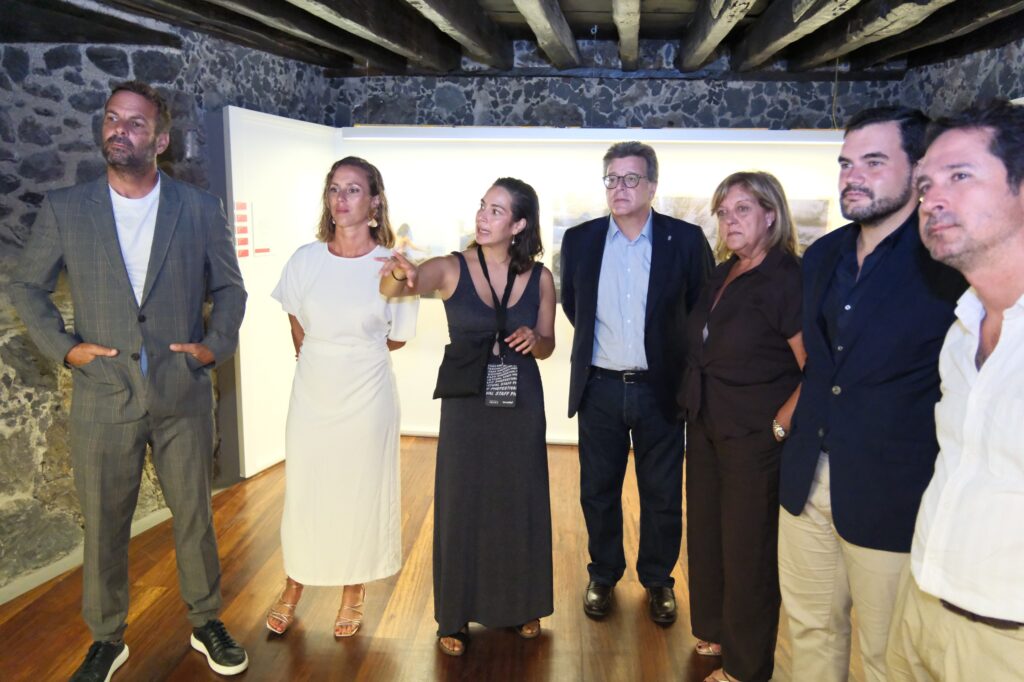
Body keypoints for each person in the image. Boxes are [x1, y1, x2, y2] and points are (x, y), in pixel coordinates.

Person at [9, 81, 248, 680]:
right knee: (104, 525)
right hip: (102, 394)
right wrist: (67, 350)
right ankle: (106, 638)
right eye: (113, 119)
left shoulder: (199, 209)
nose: (120, 130)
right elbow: (28, 287)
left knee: (193, 516)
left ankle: (205, 621)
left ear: (161, 140)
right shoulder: (67, 207)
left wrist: (213, 347)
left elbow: (230, 287)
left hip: (182, 391)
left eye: (136, 123)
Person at [777, 107, 966, 682]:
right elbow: (822, 366)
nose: (852, 176)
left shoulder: (946, 261)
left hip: (894, 491)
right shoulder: (823, 256)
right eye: (845, 164)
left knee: (891, 656)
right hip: (808, 477)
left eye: (874, 162)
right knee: (810, 631)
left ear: (918, 170)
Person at [381, 177, 555, 656]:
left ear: (519, 225)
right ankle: (453, 616)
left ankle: (523, 605)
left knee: (520, 499)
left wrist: (534, 340)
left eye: (496, 210)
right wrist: (398, 273)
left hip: (520, 402)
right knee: (461, 502)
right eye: (482, 206)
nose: (483, 216)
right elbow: (398, 286)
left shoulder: (541, 278)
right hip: (466, 403)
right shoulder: (450, 267)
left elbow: (547, 344)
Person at [886, 99, 1024, 681]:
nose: (933, 200)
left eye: (960, 176)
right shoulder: (963, 328)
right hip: (922, 603)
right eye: (925, 186)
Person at [560, 141, 713, 624]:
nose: (620, 188)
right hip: (599, 387)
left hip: (660, 388)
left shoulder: (685, 240)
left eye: (631, 179)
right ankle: (603, 574)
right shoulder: (581, 240)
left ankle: (658, 579)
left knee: (662, 493)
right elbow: (574, 307)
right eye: (612, 178)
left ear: (652, 186)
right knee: (597, 490)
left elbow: (701, 311)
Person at [266, 157, 418, 638]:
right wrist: (316, 354)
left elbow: (398, 336)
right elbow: (294, 315)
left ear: (375, 201)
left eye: (353, 189)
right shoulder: (305, 260)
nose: (341, 198)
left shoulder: (392, 266)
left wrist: (355, 352)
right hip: (313, 391)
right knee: (306, 490)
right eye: (334, 188)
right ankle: (294, 584)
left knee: (360, 489)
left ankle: (354, 590)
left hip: (368, 392)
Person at [681, 172, 805, 682]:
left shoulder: (786, 278)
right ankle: (715, 631)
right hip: (707, 424)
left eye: (743, 210)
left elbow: (816, 367)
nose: (730, 221)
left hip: (754, 437)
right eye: (724, 212)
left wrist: (779, 426)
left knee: (749, 552)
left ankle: (746, 668)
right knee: (709, 537)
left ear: (771, 215)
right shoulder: (723, 272)